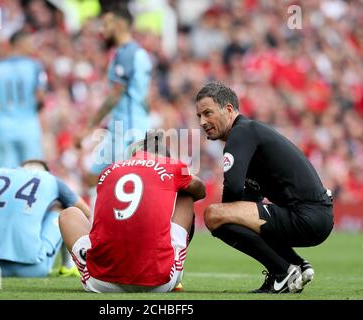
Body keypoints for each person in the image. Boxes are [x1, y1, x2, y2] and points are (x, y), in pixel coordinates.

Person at [195, 82, 334, 293]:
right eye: (199, 116)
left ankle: (283, 272)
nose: (203, 122)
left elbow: (232, 188)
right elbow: (252, 197)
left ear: (229, 110)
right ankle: (296, 265)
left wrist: (227, 216)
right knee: (230, 215)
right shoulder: (250, 134)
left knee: (214, 215)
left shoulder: (241, 133)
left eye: (208, 113)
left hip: (306, 214)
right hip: (316, 216)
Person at [60, 132, 206, 292]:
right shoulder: (174, 167)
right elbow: (200, 189)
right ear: (166, 157)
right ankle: (175, 274)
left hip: (100, 281)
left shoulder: (108, 171)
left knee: (68, 214)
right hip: (158, 283)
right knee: (186, 196)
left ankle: (88, 259)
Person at [75, 4, 152, 191]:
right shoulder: (136, 53)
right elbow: (147, 98)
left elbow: (115, 95)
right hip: (120, 128)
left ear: (118, 25)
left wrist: (88, 128)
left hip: (128, 131)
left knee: (124, 184)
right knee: (93, 178)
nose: (102, 29)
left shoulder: (127, 54)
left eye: (106, 24)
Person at [0, 159, 89, 277]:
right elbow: (85, 211)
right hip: (34, 269)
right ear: (45, 171)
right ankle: (68, 266)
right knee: (65, 210)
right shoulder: (50, 179)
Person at [0, 30, 47, 169]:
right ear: (21, 43)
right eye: (29, 43)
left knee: (6, 175)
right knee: (34, 172)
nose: (31, 47)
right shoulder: (35, 66)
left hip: (4, 125)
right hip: (28, 124)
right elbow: (41, 96)